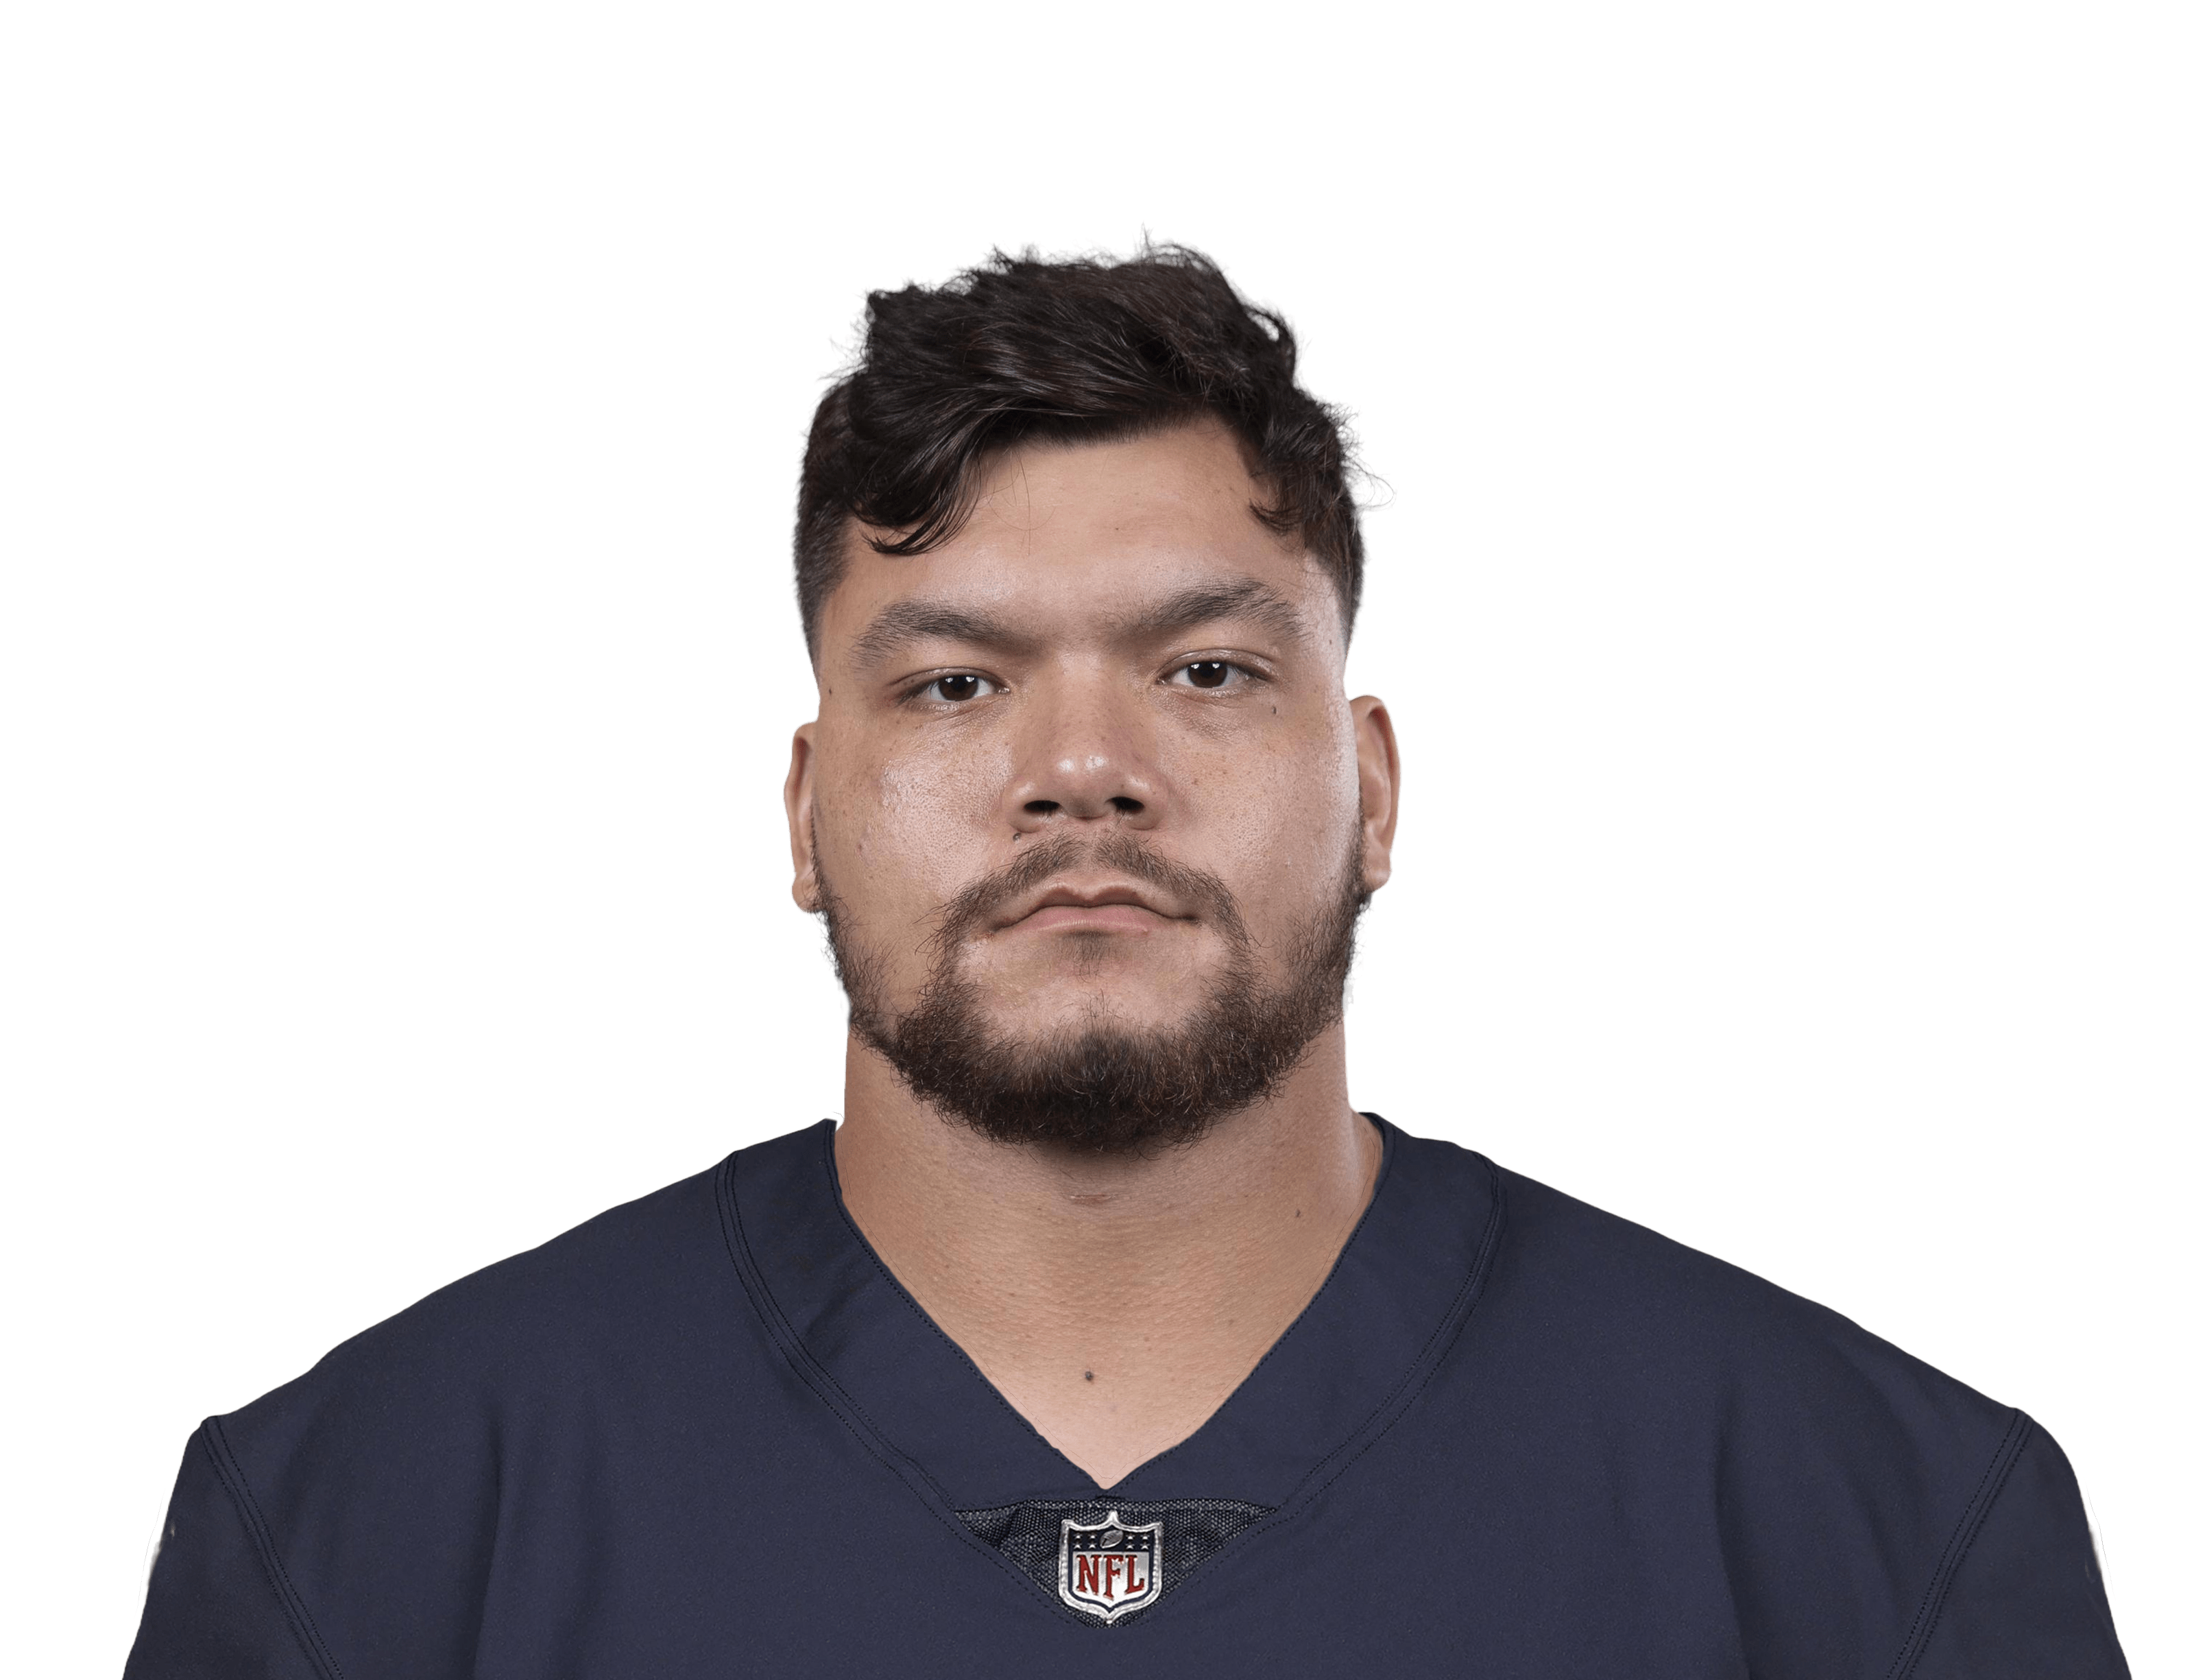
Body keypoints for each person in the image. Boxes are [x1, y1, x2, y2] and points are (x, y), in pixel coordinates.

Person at [124, 232, 2130, 1677]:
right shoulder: (366, 1540)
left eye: (1206, 670)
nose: (1083, 768)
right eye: (955, 682)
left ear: (1375, 785)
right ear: (804, 812)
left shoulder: (1874, 1538)